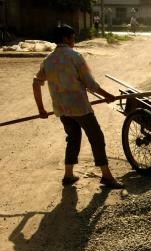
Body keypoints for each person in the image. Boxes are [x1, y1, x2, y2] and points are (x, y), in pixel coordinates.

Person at [32, 24, 124, 189]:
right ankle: (106, 176)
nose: (74, 41)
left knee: (73, 139)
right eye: (73, 38)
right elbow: (91, 84)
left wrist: (41, 109)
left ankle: (68, 175)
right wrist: (108, 96)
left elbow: (36, 83)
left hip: (61, 109)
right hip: (79, 108)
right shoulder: (75, 57)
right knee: (96, 137)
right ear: (66, 39)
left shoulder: (48, 60)